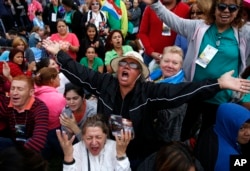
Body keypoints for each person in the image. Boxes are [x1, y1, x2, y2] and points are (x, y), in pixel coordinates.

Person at [42, 39, 250, 170]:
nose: (126, 66)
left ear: (139, 74)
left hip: (140, 150)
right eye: (123, 63)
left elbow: (181, 91)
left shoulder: (148, 92)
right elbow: (81, 73)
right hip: (108, 144)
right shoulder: (105, 83)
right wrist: (58, 54)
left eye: (133, 65)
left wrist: (218, 84)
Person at [141, 0, 250, 140]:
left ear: (238, 11)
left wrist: (244, 78)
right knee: (183, 132)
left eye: (232, 8)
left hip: (221, 97)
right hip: (193, 91)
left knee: (209, 137)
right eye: (222, 7)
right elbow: (174, 21)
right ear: (214, 8)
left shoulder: (244, 32)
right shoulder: (198, 27)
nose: (226, 11)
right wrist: (155, 3)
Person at [56, 114, 132, 171]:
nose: (94, 142)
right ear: (83, 137)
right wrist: (68, 156)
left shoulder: (115, 147)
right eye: (89, 138)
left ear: (105, 136)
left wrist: (121, 155)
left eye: (98, 137)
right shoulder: (76, 149)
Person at [195, 103, 250, 171]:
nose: (248, 133)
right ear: (229, 125)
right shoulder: (228, 159)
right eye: (241, 128)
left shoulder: (214, 129)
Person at [0, 75, 49, 152]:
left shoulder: (39, 108)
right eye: (12, 88)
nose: (14, 93)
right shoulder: (6, 103)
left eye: (20, 89)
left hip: (30, 144)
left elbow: (38, 140)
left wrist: (16, 156)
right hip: (13, 141)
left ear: (31, 92)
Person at [149, 46, 187, 142]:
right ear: (160, 61)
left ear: (181, 66)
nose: (169, 65)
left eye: (175, 63)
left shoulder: (182, 87)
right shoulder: (154, 75)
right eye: (166, 61)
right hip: (148, 130)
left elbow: (166, 115)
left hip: (165, 138)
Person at [138, 0, 190, 66]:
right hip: (150, 57)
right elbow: (142, 32)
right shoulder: (151, 7)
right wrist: (151, 52)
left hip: (173, 60)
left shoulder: (186, 10)